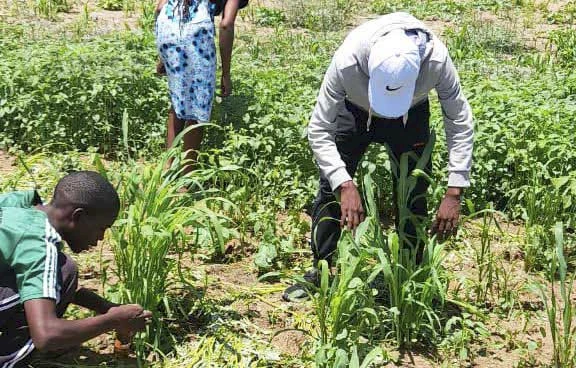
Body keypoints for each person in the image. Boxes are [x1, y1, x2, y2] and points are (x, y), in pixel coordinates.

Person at [283, 12, 474, 302]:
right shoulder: (349, 59)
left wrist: (455, 190)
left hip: (411, 117)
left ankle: (408, 274)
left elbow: (459, 119)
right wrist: (344, 184)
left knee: (413, 189)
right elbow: (319, 128)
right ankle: (321, 270)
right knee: (330, 189)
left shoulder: (435, 60)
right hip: (356, 111)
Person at [0, 171, 152, 366]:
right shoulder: (39, 244)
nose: (100, 239)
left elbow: (52, 286)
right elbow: (46, 335)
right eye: (101, 228)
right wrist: (113, 321)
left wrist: (107, 308)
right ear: (77, 217)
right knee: (65, 270)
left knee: (63, 271)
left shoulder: (21, 203)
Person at [154, 0, 242, 174]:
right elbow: (226, 25)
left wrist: (164, 55)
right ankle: (186, 177)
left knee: (177, 99)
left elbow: (159, 7)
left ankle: (166, 169)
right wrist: (226, 73)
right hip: (195, 35)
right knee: (197, 109)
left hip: (167, 24)